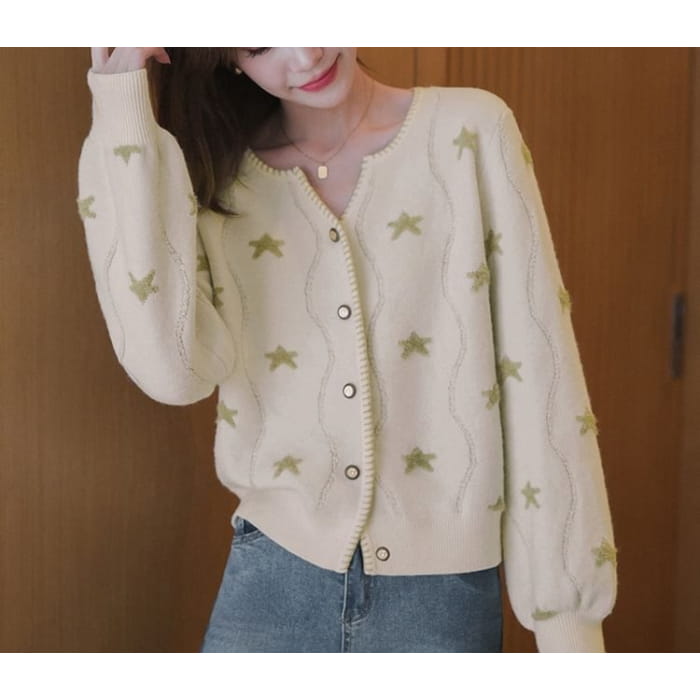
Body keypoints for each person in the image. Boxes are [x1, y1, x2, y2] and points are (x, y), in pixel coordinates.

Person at [77, 47, 618, 653]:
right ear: (227, 59)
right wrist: (120, 99)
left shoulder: (469, 131)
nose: (306, 53)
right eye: (260, 44)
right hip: (271, 580)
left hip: (440, 600)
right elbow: (174, 374)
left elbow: (539, 373)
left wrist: (570, 630)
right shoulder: (218, 178)